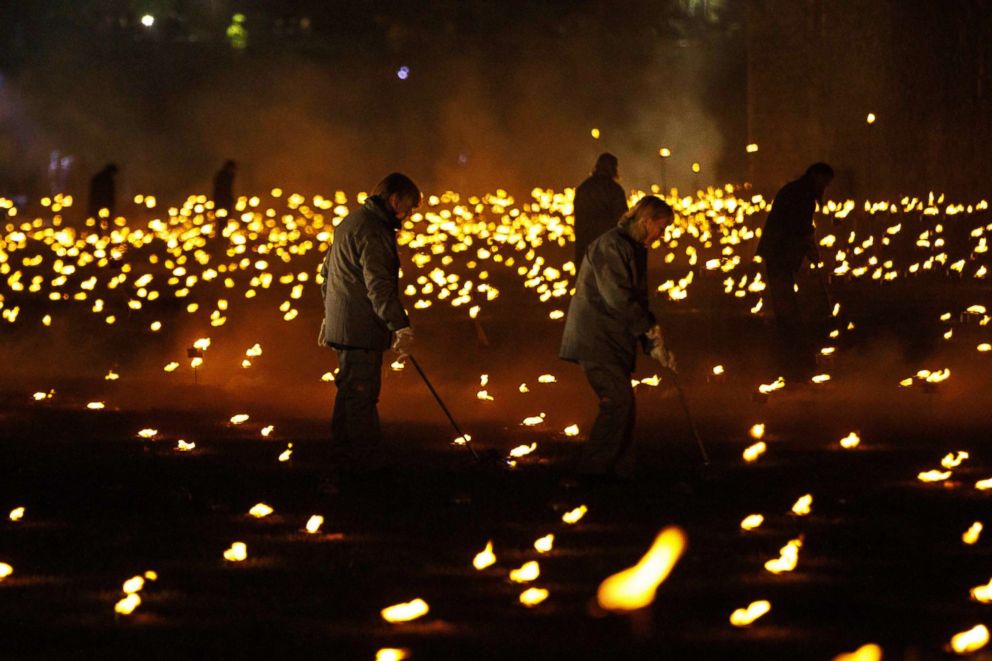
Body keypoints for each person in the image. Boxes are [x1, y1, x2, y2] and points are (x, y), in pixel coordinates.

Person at [560, 195, 676, 481]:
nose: (662, 235)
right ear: (646, 221)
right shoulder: (611, 246)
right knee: (618, 403)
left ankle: (622, 470)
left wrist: (653, 344)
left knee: (624, 404)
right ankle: (591, 473)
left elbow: (637, 298)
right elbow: (618, 298)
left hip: (612, 339)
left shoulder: (633, 247)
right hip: (596, 338)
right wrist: (647, 330)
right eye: (660, 227)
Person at [319, 172, 420, 471]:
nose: (408, 214)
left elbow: (327, 273)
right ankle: (366, 462)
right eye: (408, 207)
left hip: (345, 324)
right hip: (360, 328)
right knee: (362, 393)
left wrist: (330, 315)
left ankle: (342, 452)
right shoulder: (375, 231)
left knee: (349, 389)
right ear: (393, 199)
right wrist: (399, 325)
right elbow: (379, 286)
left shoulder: (350, 221)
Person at [755, 162, 834, 380]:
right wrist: (811, 249)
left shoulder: (799, 190)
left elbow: (803, 227)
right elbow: (801, 226)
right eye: (825, 182)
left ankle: (790, 349)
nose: (825, 187)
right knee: (785, 303)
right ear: (816, 176)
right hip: (779, 253)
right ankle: (790, 355)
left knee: (786, 301)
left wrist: (809, 248)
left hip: (780, 253)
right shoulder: (802, 194)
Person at [573, 153, 628, 267]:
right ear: (613, 169)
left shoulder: (584, 188)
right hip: (606, 248)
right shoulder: (614, 190)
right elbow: (623, 219)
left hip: (584, 247)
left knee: (585, 282)